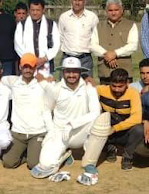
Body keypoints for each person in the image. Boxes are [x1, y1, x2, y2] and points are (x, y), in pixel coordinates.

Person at [29, 57, 109, 186]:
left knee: (102, 120)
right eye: (68, 71)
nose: (71, 75)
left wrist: (72, 124)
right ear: (62, 72)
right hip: (60, 133)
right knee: (45, 165)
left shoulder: (89, 87)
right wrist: (51, 131)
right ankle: (64, 155)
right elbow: (46, 110)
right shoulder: (55, 88)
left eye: (75, 71)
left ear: (80, 72)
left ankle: (89, 163)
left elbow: (95, 112)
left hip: (81, 131)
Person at [0, 54, 52, 170]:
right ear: (20, 67)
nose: (28, 70)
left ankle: (33, 153)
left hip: (37, 132)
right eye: (25, 67)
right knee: (8, 163)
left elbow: (56, 89)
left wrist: (49, 79)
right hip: (18, 133)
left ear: (35, 68)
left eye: (31, 67)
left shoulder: (42, 83)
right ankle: (26, 153)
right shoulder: (13, 82)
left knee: (33, 165)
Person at [97, 68, 143, 171]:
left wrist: (115, 128)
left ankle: (127, 156)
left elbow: (137, 118)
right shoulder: (100, 90)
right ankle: (110, 148)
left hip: (124, 131)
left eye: (120, 86)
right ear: (109, 83)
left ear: (127, 83)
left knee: (139, 129)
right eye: (114, 86)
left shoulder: (133, 93)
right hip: (107, 130)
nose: (117, 90)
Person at [90, 0, 138, 84]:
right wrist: (107, 54)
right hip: (105, 72)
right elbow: (93, 45)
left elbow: (132, 46)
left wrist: (115, 53)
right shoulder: (98, 26)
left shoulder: (130, 25)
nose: (113, 13)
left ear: (122, 10)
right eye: (110, 10)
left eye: (116, 10)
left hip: (124, 73)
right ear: (106, 11)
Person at [58, 0, 99, 82]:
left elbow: (95, 38)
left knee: (86, 88)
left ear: (85, 1)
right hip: (67, 57)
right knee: (64, 89)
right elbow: (60, 36)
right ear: (71, 0)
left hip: (85, 59)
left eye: (80, 0)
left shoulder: (92, 17)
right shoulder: (64, 17)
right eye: (74, 0)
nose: (77, 3)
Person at [14, 0, 60, 77]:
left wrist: (44, 59)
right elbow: (18, 45)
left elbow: (56, 45)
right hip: (27, 65)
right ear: (29, 10)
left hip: (46, 64)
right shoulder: (22, 25)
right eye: (32, 10)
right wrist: (31, 60)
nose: (35, 13)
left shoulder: (51, 25)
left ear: (43, 10)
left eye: (38, 10)